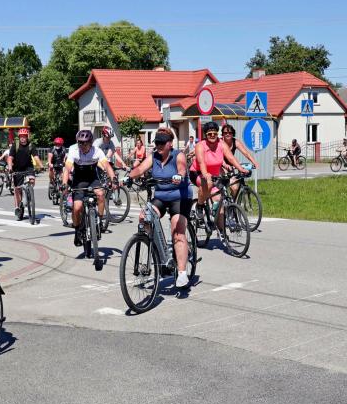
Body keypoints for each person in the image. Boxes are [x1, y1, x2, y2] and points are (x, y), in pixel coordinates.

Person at [126, 127, 192, 288]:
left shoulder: (178, 155)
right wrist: (128, 177)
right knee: (144, 217)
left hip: (180, 197)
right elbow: (140, 169)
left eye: (162, 142)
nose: (159, 146)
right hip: (161, 197)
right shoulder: (154, 156)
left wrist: (179, 176)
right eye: (157, 142)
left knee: (177, 231)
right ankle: (158, 251)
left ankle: (182, 273)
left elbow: (182, 168)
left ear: (170, 143)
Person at [62, 129, 117, 248]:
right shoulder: (74, 152)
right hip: (79, 180)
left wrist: (113, 179)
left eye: (85, 143)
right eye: (80, 142)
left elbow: (107, 165)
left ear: (90, 143)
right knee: (77, 207)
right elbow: (67, 169)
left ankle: (99, 221)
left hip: (92, 178)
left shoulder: (97, 151)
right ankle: (77, 230)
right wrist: (64, 184)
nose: (82, 145)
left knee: (101, 194)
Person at [191, 121, 247, 225]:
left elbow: (231, 158)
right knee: (207, 184)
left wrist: (241, 169)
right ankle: (199, 205)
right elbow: (201, 162)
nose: (212, 135)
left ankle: (221, 231)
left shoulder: (221, 144)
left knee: (219, 201)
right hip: (197, 172)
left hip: (214, 174)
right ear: (205, 135)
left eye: (215, 133)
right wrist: (205, 174)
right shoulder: (200, 145)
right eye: (209, 134)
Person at [7, 128, 39, 221]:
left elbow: (36, 157)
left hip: (28, 167)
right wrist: (10, 167)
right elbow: (10, 158)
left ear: (27, 137)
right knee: (17, 189)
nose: (23, 138)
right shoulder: (15, 145)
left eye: (24, 136)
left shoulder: (31, 145)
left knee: (32, 180)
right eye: (21, 136)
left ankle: (29, 193)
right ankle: (18, 207)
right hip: (17, 169)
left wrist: (41, 166)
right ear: (19, 137)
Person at [220, 124, 257, 197]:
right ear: (222, 134)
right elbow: (219, 157)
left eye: (230, 132)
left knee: (235, 188)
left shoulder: (235, 142)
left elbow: (246, 153)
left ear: (233, 134)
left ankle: (232, 202)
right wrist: (225, 165)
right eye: (225, 133)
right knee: (221, 189)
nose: (227, 134)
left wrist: (254, 162)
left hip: (230, 165)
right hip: (220, 165)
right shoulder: (220, 142)